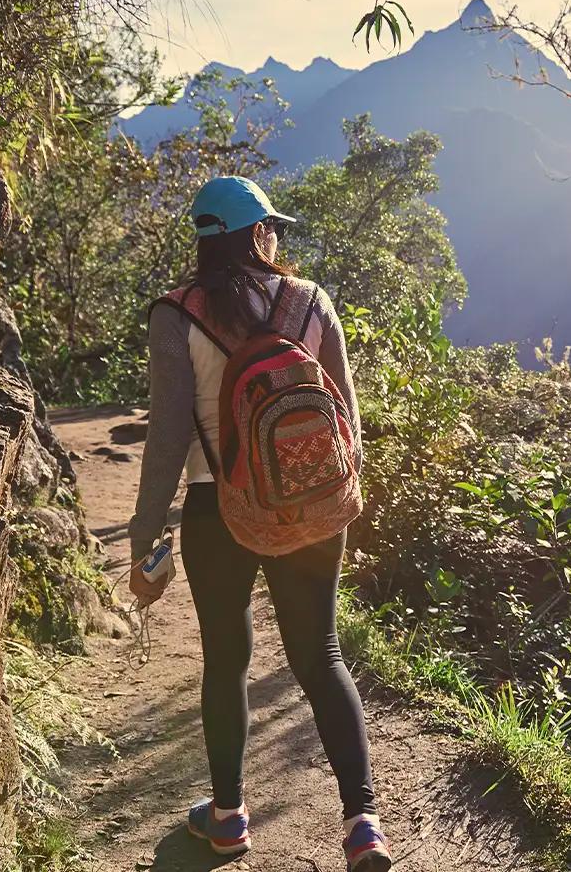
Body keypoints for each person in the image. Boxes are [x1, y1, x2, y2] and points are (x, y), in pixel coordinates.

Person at [128, 175, 391, 871]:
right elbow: (348, 423)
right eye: (270, 226)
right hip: (310, 504)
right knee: (323, 657)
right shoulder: (311, 302)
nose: (276, 236)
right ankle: (363, 824)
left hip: (219, 508)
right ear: (255, 233)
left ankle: (228, 818)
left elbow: (166, 438)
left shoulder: (175, 315)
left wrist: (145, 534)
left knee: (226, 659)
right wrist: (337, 502)